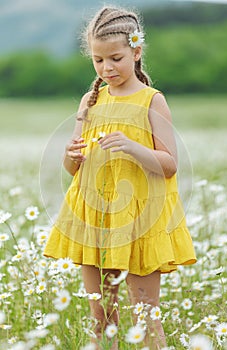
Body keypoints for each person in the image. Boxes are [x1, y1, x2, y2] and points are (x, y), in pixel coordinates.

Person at [44, 5, 196, 349]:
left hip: (138, 220)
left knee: (145, 317)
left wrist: (132, 147)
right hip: (94, 217)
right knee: (100, 321)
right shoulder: (90, 100)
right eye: (98, 60)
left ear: (136, 51)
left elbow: (169, 164)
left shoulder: (151, 101)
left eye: (115, 58)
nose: (106, 68)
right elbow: (74, 169)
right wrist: (70, 157)